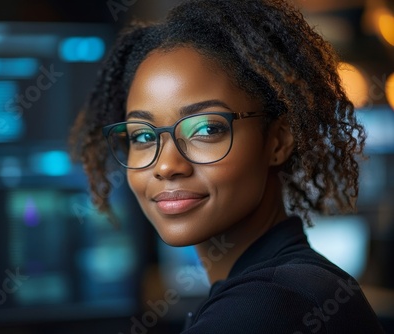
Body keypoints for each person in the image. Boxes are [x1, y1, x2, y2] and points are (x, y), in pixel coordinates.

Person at [69, 0, 386, 332]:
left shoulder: (264, 307)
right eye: (143, 136)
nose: (166, 166)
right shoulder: (296, 286)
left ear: (278, 141)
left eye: (206, 129)